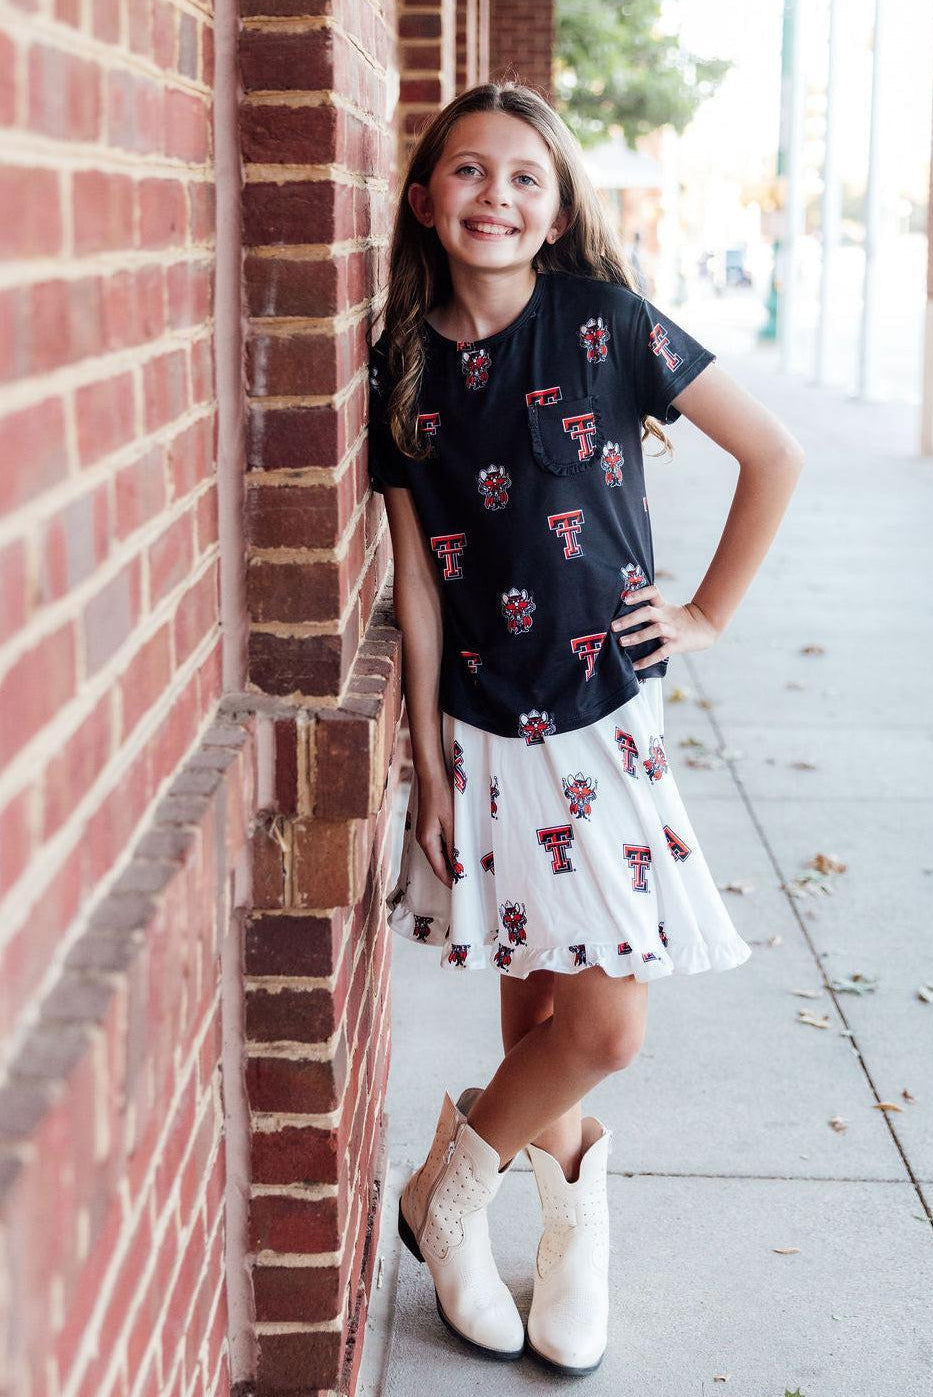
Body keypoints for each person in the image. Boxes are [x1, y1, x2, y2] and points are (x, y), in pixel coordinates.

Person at [367, 82, 804, 1375]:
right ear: (421, 197)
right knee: (539, 1006)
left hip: (600, 712)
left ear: (555, 216)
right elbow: (415, 575)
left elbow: (770, 451)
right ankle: (564, 1234)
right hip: (482, 724)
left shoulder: (608, 326)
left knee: (605, 1027)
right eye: (466, 171)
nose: (492, 195)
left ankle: (444, 1190)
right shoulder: (400, 364)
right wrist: (425, 749)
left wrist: (710, 613)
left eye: (522, 178)